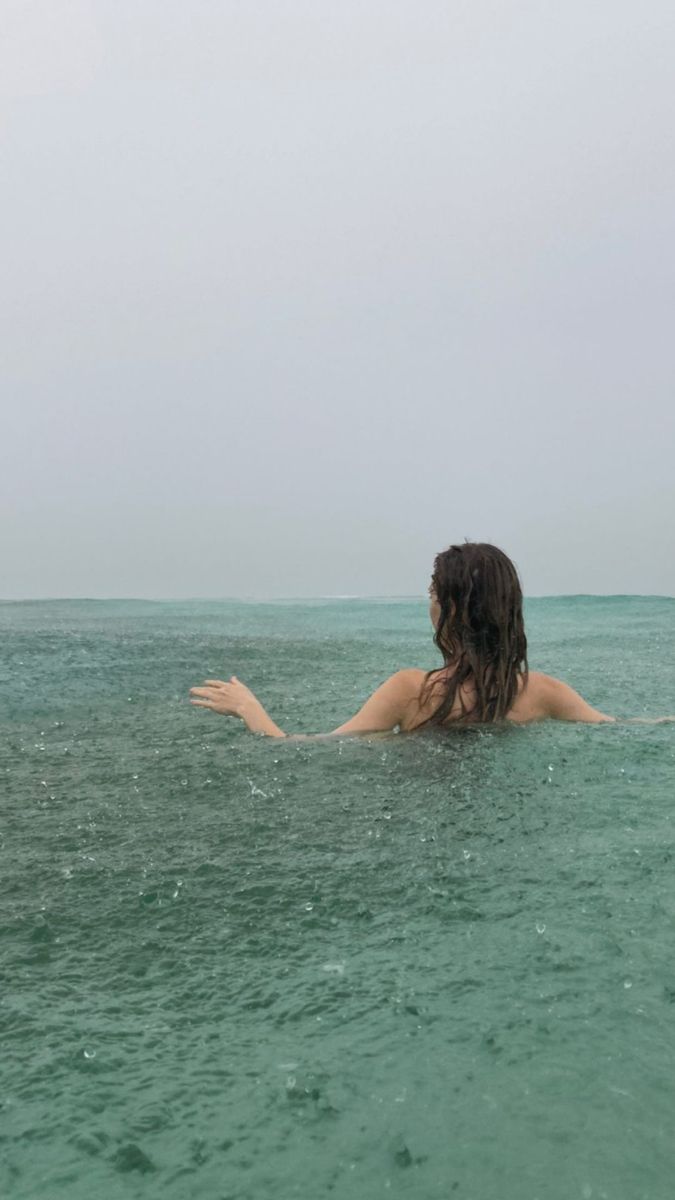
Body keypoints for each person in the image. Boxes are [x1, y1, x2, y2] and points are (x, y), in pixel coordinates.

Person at [189, 542, 665, 737]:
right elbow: (630, 728)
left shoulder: (411, 691)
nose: (429, 600)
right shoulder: (543, 693)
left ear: (450, 607)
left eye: (433, 591)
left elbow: (305, 749)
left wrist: (251, 710)